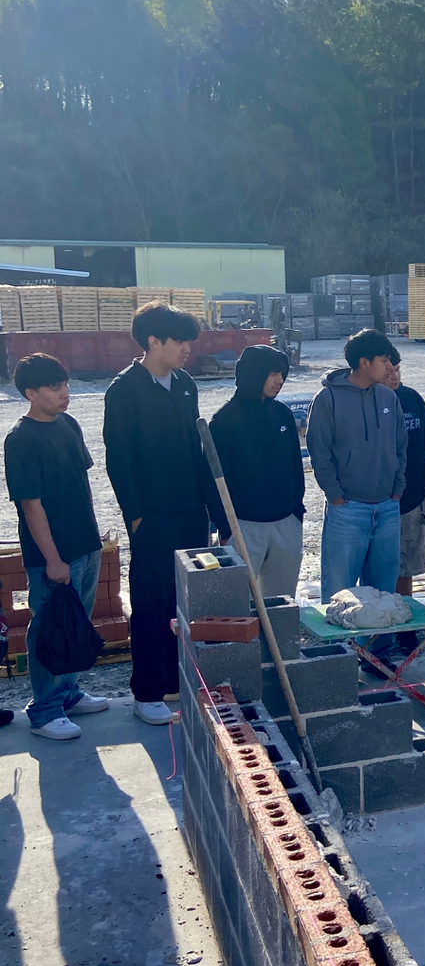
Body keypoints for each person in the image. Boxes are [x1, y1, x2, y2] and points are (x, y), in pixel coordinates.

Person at [104, 302, 228, 726]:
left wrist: (214, 514)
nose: (186, 349)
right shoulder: (123, 391)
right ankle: (148, 692)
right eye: (179, 341)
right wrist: (136, 515)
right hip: (153, 517)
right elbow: (118, 460)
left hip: (191, 513)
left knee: (187, 601)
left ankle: (180, 681)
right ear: (153, 341)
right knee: (152, 602)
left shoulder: (186, 385)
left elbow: (198, 453)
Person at [5, 354, 109, 739]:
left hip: (85, 544)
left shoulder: (69, 424)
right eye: (53, 387)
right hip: (52, 554)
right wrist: (52, 559)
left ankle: (69, 694)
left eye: (65, 384)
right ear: (30, 393)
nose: (64, 393)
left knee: (75, 625)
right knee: (49, 629)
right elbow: (31, 505)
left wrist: (93, 540)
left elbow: (80, 487)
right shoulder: (20, 439)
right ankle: (45, 710)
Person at [307, 329, 407, 674]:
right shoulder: (328, 399)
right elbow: (319, 453)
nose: (389, 366)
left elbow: (400, 446)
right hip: (346, 509)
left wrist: (397, 489)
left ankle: (379, 656)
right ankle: (336, 662)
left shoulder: (388, 397)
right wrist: (336, 496)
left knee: (382, 588)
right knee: (340, 589)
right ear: (364, 362)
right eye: (383, 360)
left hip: (387, 507)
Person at [209, 345, 305, 600]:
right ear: (254, 373)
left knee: (281, 607)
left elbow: (296, 467)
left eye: (282, 373)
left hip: (286, 524)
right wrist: (226, 528)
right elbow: (214, 481)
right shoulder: (224, 421)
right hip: (243, 528)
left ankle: (278, 643)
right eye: (272, 373)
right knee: (242, 609)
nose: (279, 380)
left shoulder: (283, 414)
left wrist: (297, 513)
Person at [384, 350, 425, 656]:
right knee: (380, 570)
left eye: (397, 369)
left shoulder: (412, 398)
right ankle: (380, 633)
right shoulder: (371, 401)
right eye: (388, 370)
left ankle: (405, 630)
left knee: (406, 569)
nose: (393, 375)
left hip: (414, 496)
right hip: (380, 499)